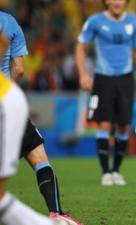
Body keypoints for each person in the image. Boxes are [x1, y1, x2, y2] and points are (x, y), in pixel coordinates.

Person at [0, 11, 82, 224]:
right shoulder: (8, 22)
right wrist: (10, 94)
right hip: (5, 102)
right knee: (39, 158)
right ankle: (56, 213)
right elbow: (18, 70)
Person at [76, 0, 136, 186]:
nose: (116, 2)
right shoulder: (95, 21)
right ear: (106, 1)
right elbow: (80, 46)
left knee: (123, 125)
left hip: (126, 78)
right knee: (105, 124)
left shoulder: (134, 22)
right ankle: (105, 172)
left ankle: (116, 170)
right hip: (103, 78)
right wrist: (83, 74)